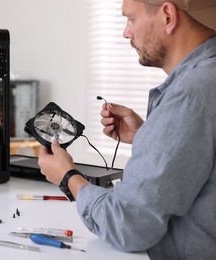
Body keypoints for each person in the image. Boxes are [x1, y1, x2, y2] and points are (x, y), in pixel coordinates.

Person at [37, 0, 216, 259]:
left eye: (131, 19)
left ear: (168, 15)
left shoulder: (190, 94)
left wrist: (68, 177)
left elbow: (127, 226)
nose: (126, 32)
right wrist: (149, 136)